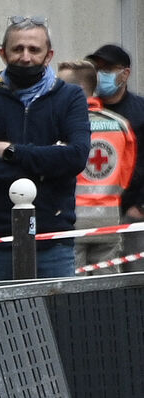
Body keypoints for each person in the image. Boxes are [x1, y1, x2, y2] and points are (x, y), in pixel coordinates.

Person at [0, 16, 90, 280]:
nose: (25, 57)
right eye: (17, 49)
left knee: (59, 319)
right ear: (2, 53)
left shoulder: (70, 97)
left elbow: (76, 157)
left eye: (34, 50)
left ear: (48, 55)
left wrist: (12, 152)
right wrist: (46, 166)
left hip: (53, 238)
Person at [56, 60, 137, 274]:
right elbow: (126, 174)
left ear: (75, 91)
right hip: (109, 219)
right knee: (107, 289)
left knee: (74, 292)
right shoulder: (120, 124)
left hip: (72, 221)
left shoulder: (63, 127)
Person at [86, 43, 144, 272]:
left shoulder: (140, 112)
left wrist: (140, 205)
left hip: (131, 211)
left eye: (107, 69)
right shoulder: (85, 111)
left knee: (134, 276)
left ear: (125, 73)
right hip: (94, 214)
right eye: (96, 68)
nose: (100, 75)